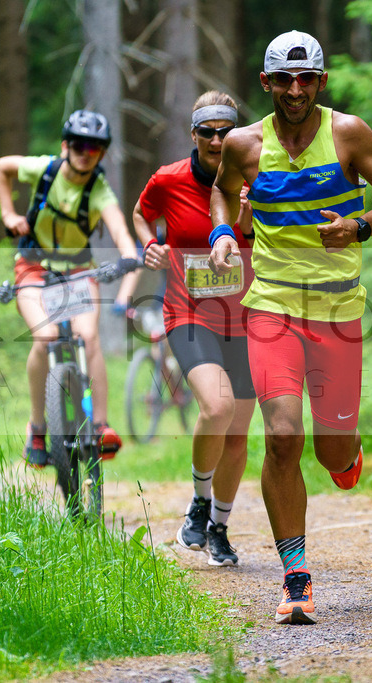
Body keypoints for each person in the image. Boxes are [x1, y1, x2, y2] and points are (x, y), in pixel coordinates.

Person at [208, 31, 372, 623]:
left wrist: (360, 227)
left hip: (338, 312)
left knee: (331, 451)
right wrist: (224, 234)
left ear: (321, 82)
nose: (295, 90)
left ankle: (347, 450)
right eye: (284, 80)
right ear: (266, 84)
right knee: (281, 435)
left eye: (307, 79)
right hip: (271, 306)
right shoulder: (245, 145)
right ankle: (295, 579)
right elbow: (222, 194)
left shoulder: (348, 134)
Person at [135, 91, 256, 567]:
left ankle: (220, 529)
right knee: (217, 405)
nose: (216, 139)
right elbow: (142, 212)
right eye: (207, 131)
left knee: (239, 434)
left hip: (245, 317)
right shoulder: (168, 180)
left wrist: (249, 218)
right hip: (187, 312)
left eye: (226, 131)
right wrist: (150, 244)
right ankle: (199, 503)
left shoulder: (255, 177)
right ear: (194, 135)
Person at [0, 109, 139, 468]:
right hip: (32, 268)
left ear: (102, 153)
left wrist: (127, 257)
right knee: (44, 338)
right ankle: (38, 426)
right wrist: (9, 214)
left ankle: (101, 424)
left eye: (94, 147)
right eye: (78, 144)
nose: (85, 152)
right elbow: (2, 167)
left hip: (77, 271)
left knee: (88, 337)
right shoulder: (44, 169)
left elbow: (121, 233)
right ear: (65, 145)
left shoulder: (99, 190)